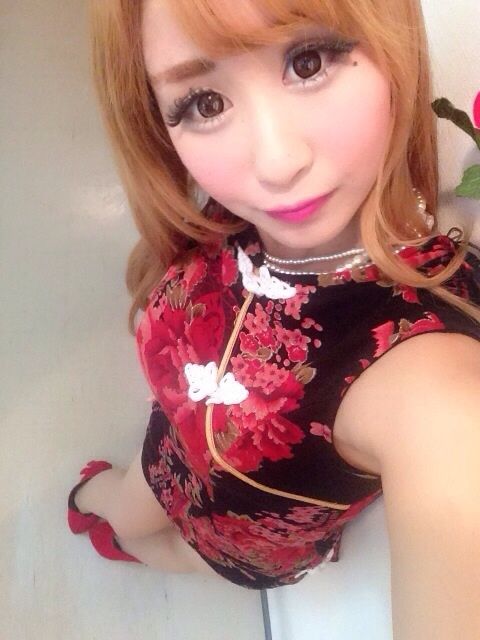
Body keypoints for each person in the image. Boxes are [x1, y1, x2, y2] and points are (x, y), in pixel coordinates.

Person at [68, 0, 480, 635]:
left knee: (171, 550)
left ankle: (131, 542)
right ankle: (116, 517)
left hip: (242, 538)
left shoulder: (435, 385)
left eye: (308, 61)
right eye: (205, 103)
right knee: (124, 506)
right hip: (167, 451)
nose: (277, 163)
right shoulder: (227, 223)